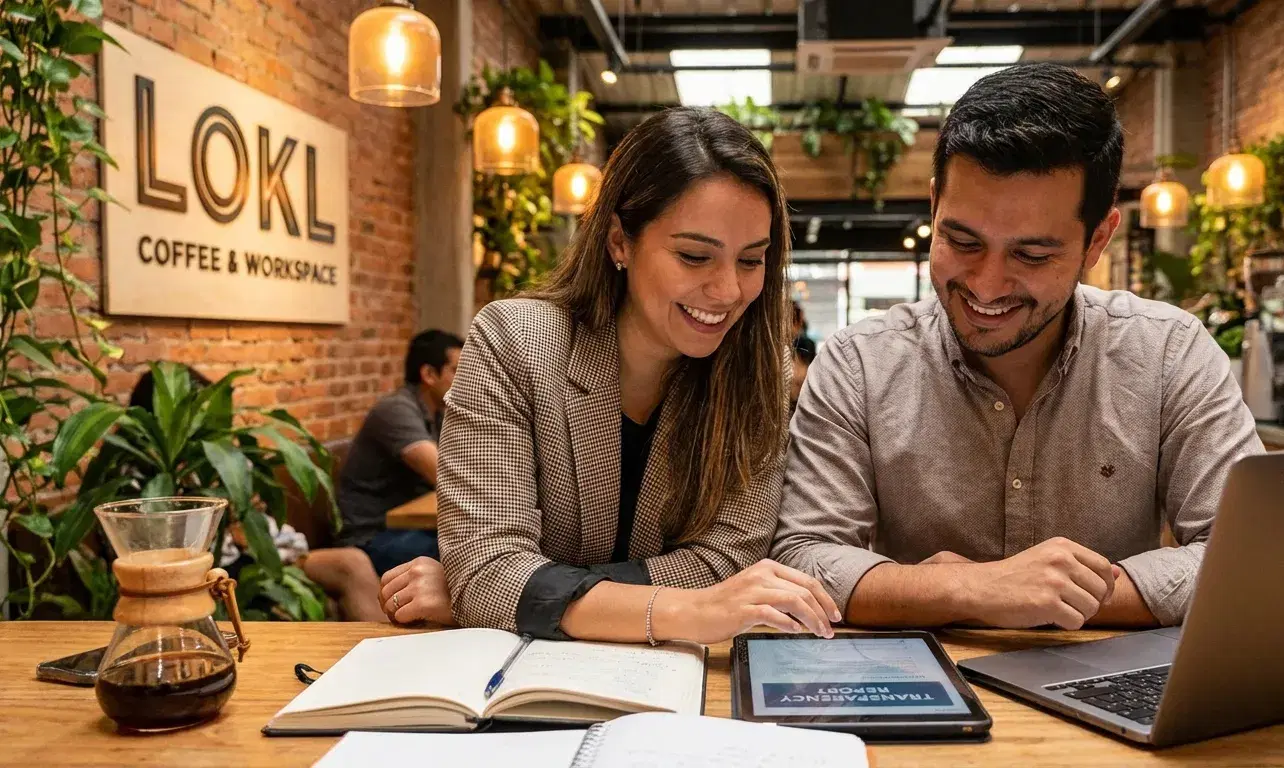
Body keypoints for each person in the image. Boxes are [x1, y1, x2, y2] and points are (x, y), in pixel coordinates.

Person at [771, 63, 1263, 632]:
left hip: (1106, 689)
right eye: (962, 240)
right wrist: (973, 588)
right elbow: (804, 555)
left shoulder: (1168, 355)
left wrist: (1041, 594)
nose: (985, 283)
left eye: (1031, 255)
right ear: (934, 205)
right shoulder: (860, 364)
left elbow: (1247, 554)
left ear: (1097, 240)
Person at [378, 107, 839, 644]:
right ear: (619, 240)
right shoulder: (515, 344)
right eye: (694, 257)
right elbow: (488, 572)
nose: (729, 291)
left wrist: (530, 596)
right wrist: (683, 611)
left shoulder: (759, 374)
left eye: (751, 260)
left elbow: (727, 563)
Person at [128, 366, 386, 622]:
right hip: (217, 570)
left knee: (352, 562)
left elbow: (259, 526)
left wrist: (246, 516)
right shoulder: (139, 477)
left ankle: (387, 656)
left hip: (261, 554)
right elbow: (159, 557)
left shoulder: (222, 458)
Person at [335, 330, 461, 575]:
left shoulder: (437, 412)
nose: (467, 379)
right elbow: (446, 475)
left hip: (409, 529)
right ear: (429, 375)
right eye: (457, 370)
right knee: (464, 554)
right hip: (371, 537)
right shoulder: (395, 410)